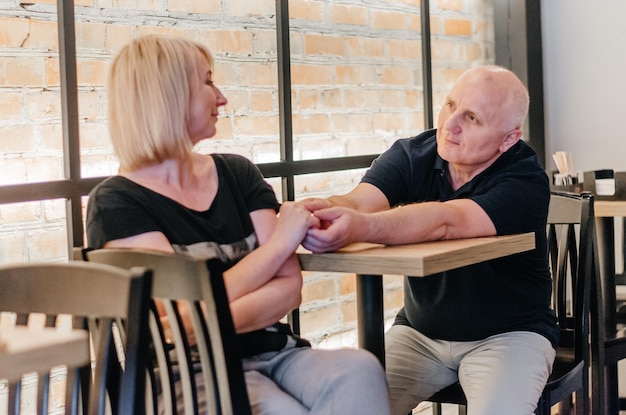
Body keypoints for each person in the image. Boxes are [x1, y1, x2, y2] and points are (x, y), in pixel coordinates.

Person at [86, 34, 390, 415]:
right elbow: (181, 325)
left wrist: (208, 311)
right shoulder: (117, 202)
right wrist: (279, 243)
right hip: (188, 375)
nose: (222, 97)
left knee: (360, 370)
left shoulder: (237, 173)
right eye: (208, 81)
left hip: (278, 354)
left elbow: (288, 288)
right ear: (170, 94)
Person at [301, 65, 559, 415]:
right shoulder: (414, 154)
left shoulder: (525, 179)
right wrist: (319, 211)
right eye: (451, 105)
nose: (450, 125)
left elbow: (447, 222)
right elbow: (358, 201)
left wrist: (360, 227)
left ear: (508, 139)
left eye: (471, 118)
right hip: (419, 334)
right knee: (345, 406)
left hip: (509, 336)